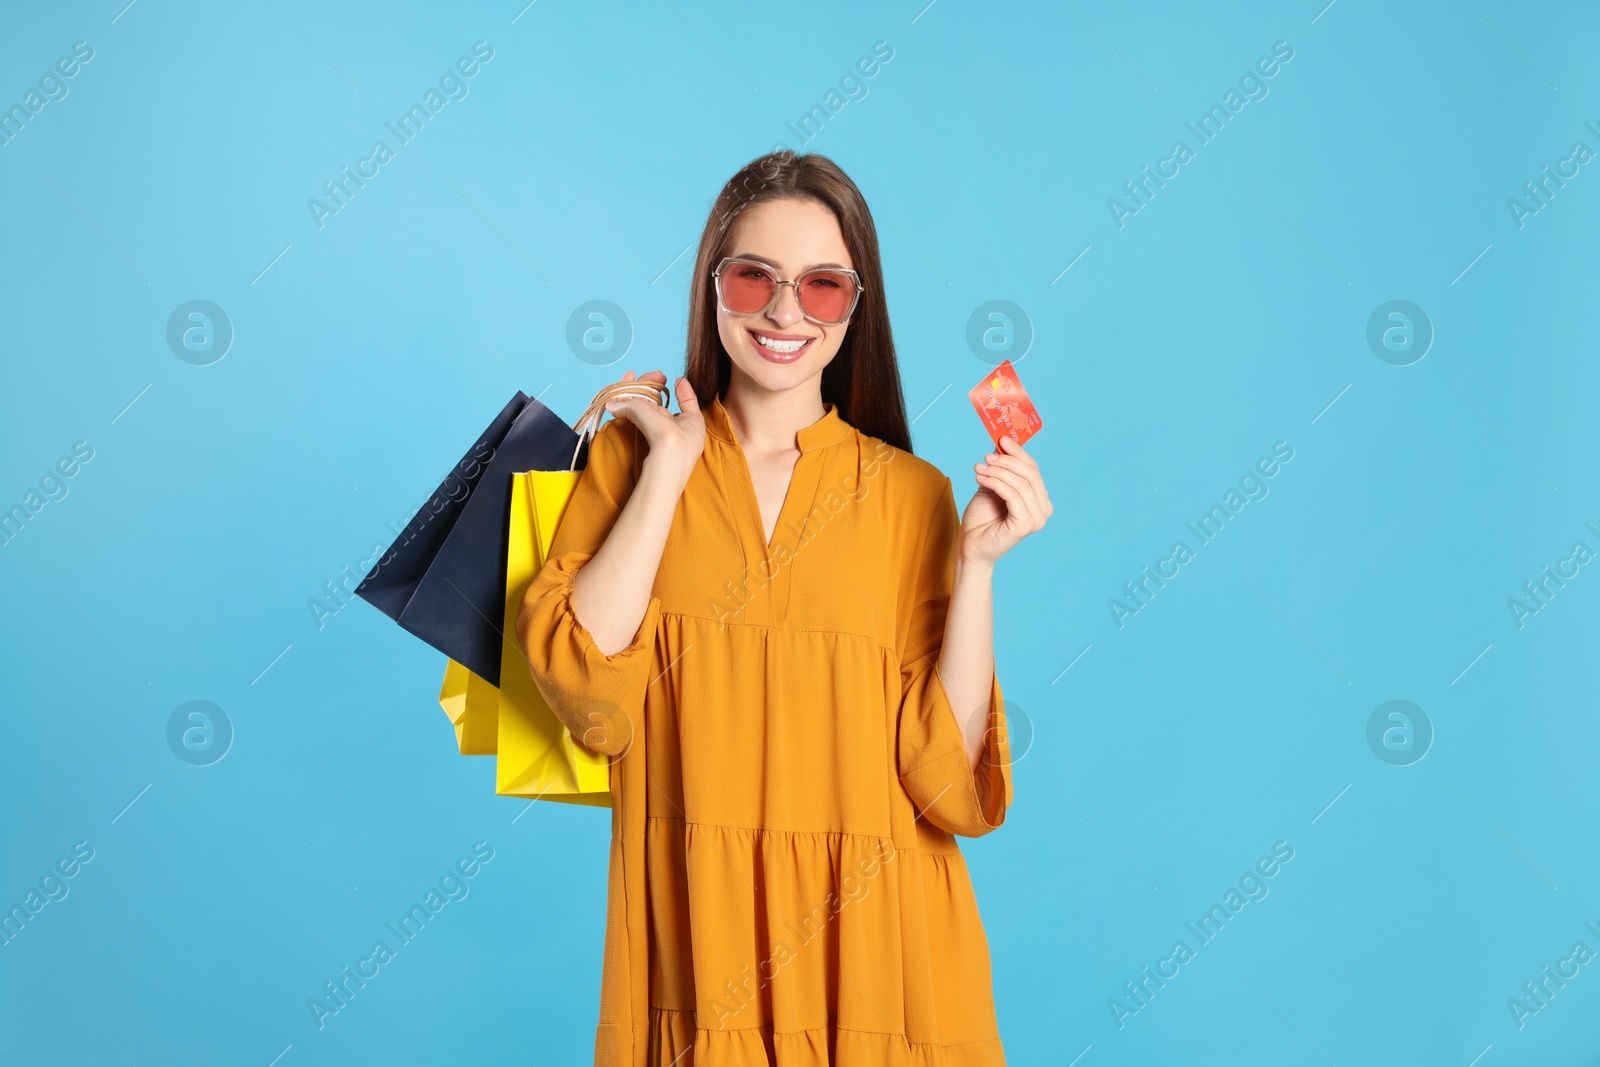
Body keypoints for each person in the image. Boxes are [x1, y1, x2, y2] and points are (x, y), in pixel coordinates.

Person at [517, 150, 1051, 1066]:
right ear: (712, 285)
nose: (785, 310)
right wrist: (670, 469)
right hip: (696, 960)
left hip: (884, 960)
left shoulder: (912, 496)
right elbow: (591, 697)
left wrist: (979, 570)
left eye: (825, 287)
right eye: (753, 275)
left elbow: (946, 783)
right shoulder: (633, 460)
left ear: (859, 305)